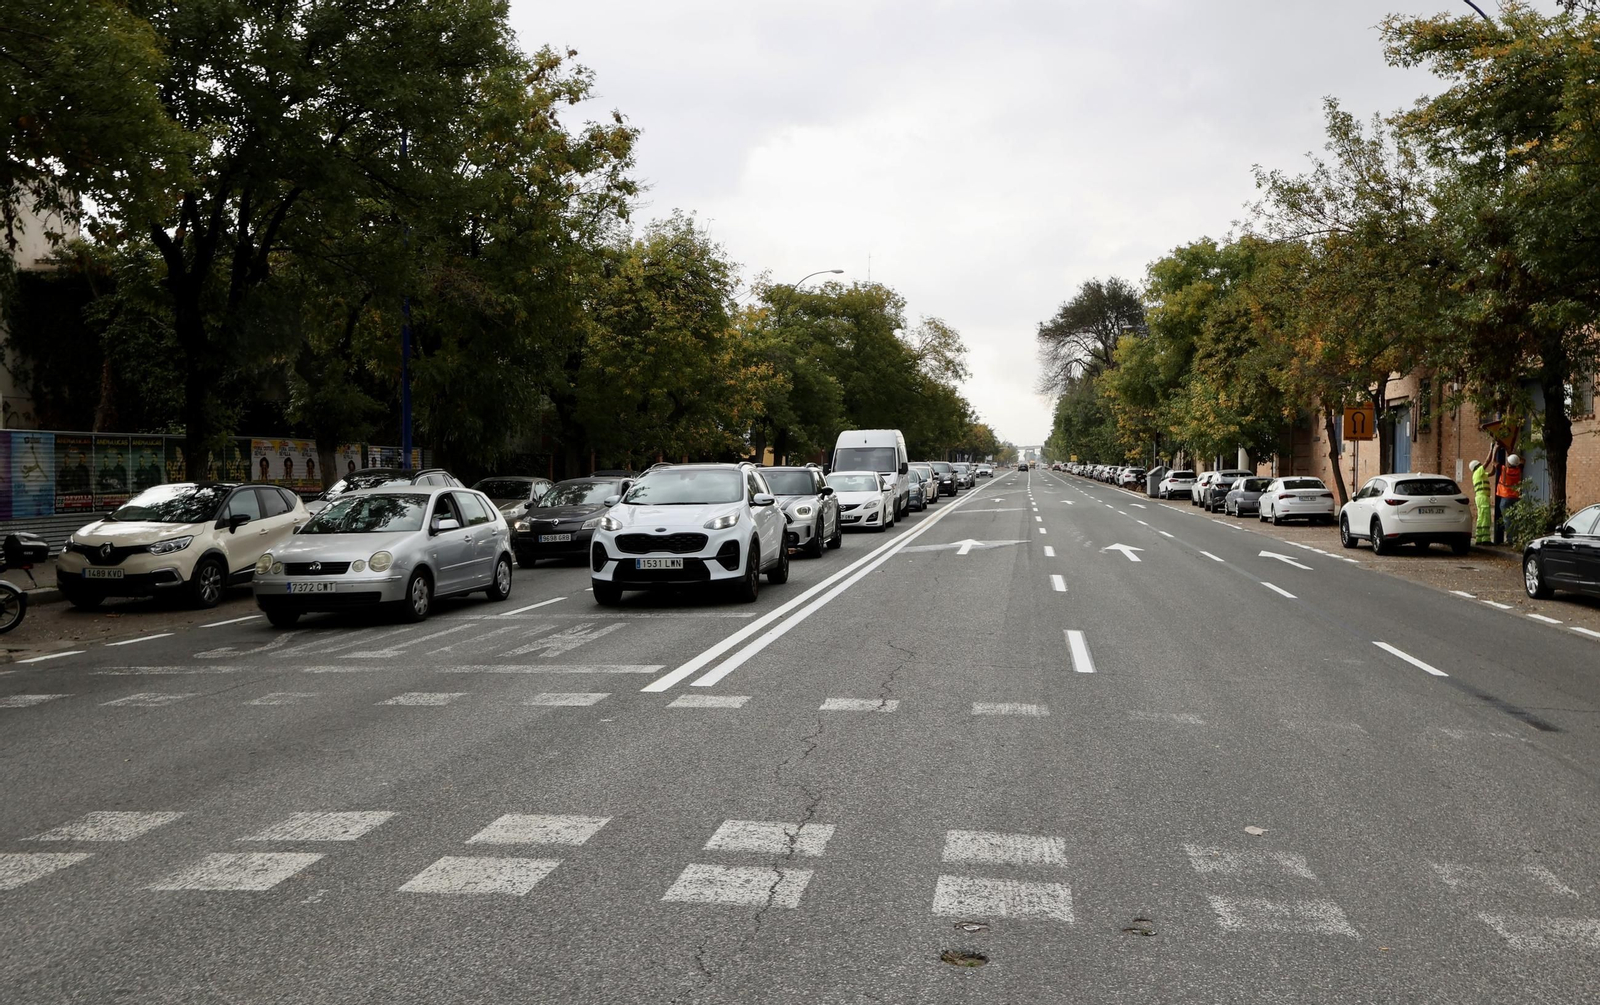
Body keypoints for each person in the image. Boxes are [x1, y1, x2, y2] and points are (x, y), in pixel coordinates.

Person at [1495, 452, 1524, 544]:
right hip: (1516, 497)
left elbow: (1493, 462)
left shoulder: (1504, 469)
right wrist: (1514, 454)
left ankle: (1510, 540)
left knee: (1507, 520)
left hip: (1506, 497)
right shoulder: (1519, 469)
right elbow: (1523, 460)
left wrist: (1495, 450)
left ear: (1509, 463)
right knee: (1515, 519)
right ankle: (1515, 538)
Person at [1470, 458, 1493, 545]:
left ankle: (1479, 538)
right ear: (1477, 466)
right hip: (1483, 498)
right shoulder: (1478, 472)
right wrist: (1493, 452)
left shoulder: (1479, 474)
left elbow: (1492, 473)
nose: (1481, 466)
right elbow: (1487, 461)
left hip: (1479, 498)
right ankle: (1485, 539)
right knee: (1485, 518)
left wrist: (1494, 464)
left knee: (1480, 518)